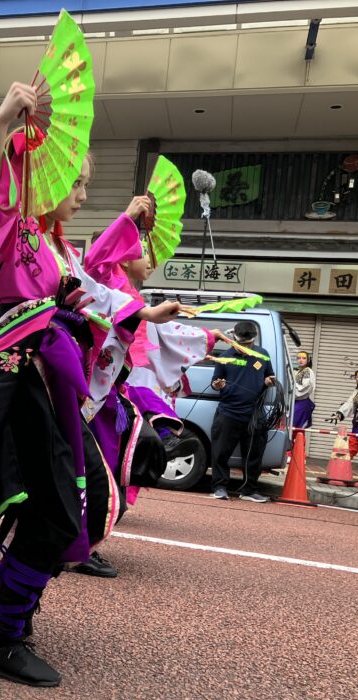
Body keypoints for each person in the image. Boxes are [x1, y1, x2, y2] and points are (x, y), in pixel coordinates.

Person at [0, 81, 180, 687]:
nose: (79, 193)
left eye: (82, 183)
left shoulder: (53, 246)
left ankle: (13, 619)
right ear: (38, 172)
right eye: (73, 181)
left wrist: (143, 314)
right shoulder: (9, 232)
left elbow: (92, 294)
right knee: (58, 509)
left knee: (59, 505)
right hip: (16, 381)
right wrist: (1, 125)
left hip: (46, 386)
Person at [81, 220, 217, 577]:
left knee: (114, 470)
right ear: (122, 258)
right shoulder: (105, 281)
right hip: (98, 395)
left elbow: (160, 331)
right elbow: (96, 262)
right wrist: (129, 217)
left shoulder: (129, 293)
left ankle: (79, 540)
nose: (150, 259)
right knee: (100, 471)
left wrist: (206, 336)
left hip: (114, 394)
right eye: (141, 249)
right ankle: (75, 543)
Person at [209, 320, 276, 502]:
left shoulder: (263, 354)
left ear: (253, 340)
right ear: (233, 338)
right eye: (241, 343)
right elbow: (216, 382)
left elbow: (268, 376)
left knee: (254, 454)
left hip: (254, 413)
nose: (245, 347)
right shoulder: (225, 356)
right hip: (229, 411)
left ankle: (249, 490)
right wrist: (218, 385)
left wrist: (269, 381)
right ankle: (220, 488)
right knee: (221, 452)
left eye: (249, 344)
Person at [292, 351, 316, 430]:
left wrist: (292, 387)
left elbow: (305, 388)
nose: (301, 360)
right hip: (296, 402)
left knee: (296, 428)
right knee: (294, 428)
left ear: (308, 360)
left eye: (304, 358)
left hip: (301, 403)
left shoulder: (307, 371)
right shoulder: (299, 371)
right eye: (299, 358)